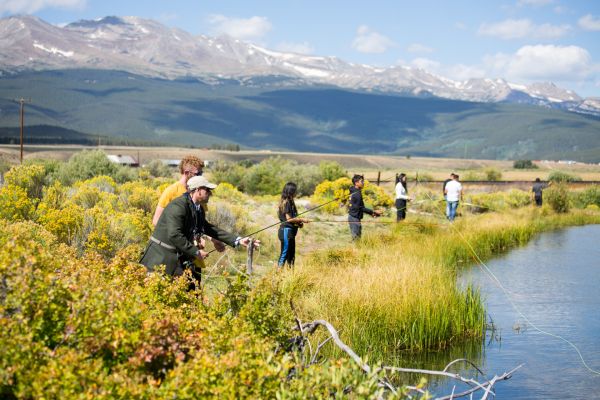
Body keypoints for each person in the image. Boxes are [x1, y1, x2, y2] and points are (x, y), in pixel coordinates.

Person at [140, 175, 257, 288]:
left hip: (177, 259)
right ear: (197, 190)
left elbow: (207, 228)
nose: (210, 193)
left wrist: (238, 240)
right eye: (207, 190)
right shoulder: (178, 206)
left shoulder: (198, 208)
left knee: (188, 295)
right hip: (159, 259)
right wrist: (196, 252)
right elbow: (174, 235)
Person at [152, 155, 205, 226]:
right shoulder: (171, 191)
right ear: (186, 173)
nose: (200, 177)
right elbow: (156, 221)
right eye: (198, 174)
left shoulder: (199, 191)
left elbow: (200, 220)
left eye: (201, 173)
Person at [277, 182, 309, 267]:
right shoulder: (286, 202)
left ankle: (290, 276)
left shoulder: (290, 202)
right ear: (290, 192)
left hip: (290, 233)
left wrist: (298, 223)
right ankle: (277, 275)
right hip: (286, 232)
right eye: (294, 191)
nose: (296, 193)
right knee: (284, 255)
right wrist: (302, 219)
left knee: (291, 256)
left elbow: (292, 219)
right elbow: (289, 219)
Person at [348, 174, 382, 240]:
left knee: (357, 238)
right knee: (356, 240)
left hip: (353, 217)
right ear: (356, 183)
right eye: (362, 181)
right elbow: (361, 208)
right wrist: (373, 211)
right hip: (354, 218)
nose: (363, 183)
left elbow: (360, 207)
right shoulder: (357, 194)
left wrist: (371, 213)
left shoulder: (354, 190)